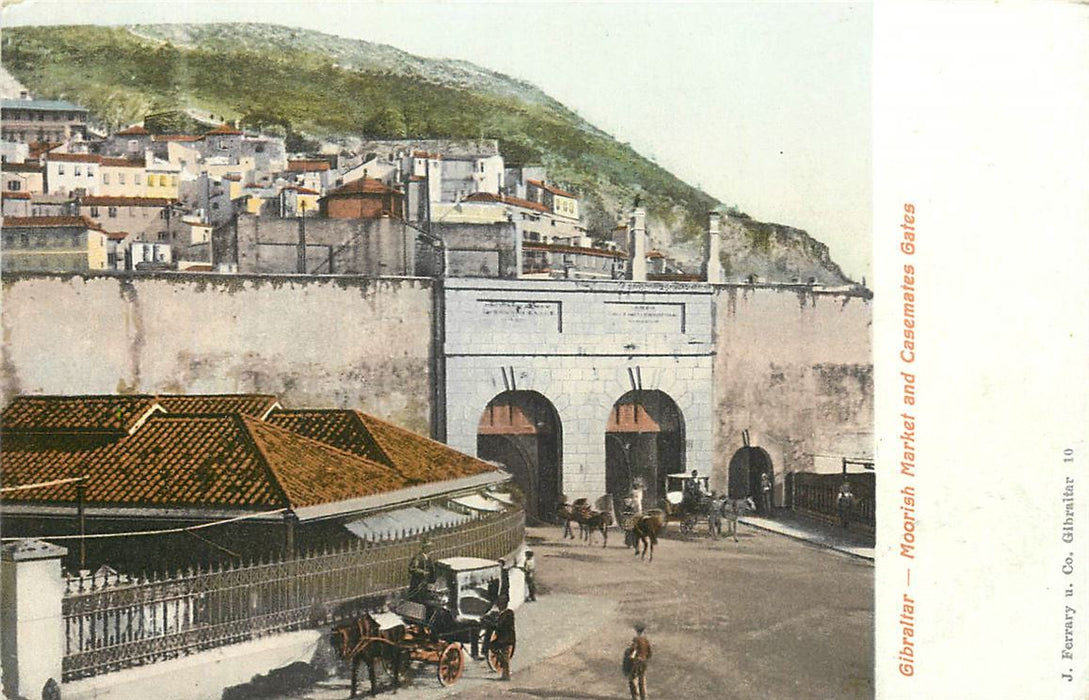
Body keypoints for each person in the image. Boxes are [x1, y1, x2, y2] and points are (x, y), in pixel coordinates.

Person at [492, 594, 516, 681]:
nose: (499, 605)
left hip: (506, 639)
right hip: (502, 638)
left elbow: (499, 624)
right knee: (496, 650)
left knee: (505, 657)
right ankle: (504, 673)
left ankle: (506, 676)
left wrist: (493, 623)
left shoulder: (508, 613)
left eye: (500, 604)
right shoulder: (504, 613)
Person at [626, 623, 652, 700]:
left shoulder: (636, 640)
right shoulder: (646, 640)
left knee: (633, 679)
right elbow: (650, 652)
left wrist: (630, 655)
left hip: (637, 662)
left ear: (636, 631)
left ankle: (636, 697)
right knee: (642, 679)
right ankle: (644, 697)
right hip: (644, 661)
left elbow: (633, 649)